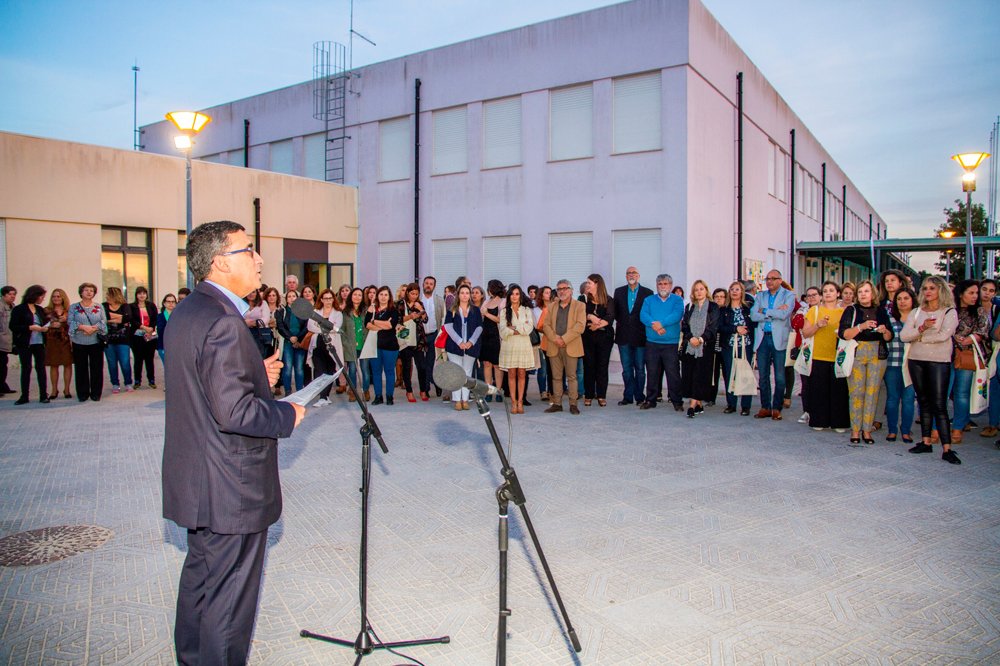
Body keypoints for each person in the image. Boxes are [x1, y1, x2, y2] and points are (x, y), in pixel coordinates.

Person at [162, 220, 304, 665]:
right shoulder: (224, 322)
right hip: (231, 488)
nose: (260, 260)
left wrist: (256, 376)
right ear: (221, 261)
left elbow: (202, 388)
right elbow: (234, 413)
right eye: (249, 251)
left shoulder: (191, 311)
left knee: (202, 584)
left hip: (199, 482)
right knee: (228, 606)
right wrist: (288, 413)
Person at [900, 276, 961, 464]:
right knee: (924, 401)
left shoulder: (949, 312)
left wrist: (919, 337)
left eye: (932, 288)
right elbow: (904, 336)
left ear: (940, 290)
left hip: (938, 361)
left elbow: (944, 335)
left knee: (939, 404)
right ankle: (925, 442)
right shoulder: (917, 312)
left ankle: (947, 448)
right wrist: (921, 329)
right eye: (925, 288)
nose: (927, 291)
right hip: (916, 360)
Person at [838, 280, 893, 444]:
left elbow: (890, 337)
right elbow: (844, 334)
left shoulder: (881, 311)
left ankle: (867, 430)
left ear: (873, 294)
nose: (863, 294)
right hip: (857, 351)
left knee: (872, 393)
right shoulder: (851, 310)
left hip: (877, 353)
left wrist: (884, 331)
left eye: (867, 291)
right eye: (860, 291)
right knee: (856, 392)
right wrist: (861, 327)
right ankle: (855, 430)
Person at [801, 281, 849, 431]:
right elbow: (805, 332)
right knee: (818, 390)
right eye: (825, 291)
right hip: (818, 356)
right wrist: (817, 325)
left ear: (838, 293)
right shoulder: (814, 311)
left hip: (838, 356)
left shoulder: (845, 311)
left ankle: (839, 422)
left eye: (831, 290)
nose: (828, 293)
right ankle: (818, 420)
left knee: (839, 391)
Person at [750, 269, 797, 420]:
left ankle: (777, 407)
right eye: (767, 279)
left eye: (773, 278)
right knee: (763, 375)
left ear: (780, 280)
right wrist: (773, 312)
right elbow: (753, 315)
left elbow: (784, 315)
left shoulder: (788, 295)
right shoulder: (761, 295)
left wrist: (764, 311)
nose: (769, 281)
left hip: (779, 339)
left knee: (780, 376)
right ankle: (765, 407)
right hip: (763, 338)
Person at [950, 279, 991, 444]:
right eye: (971, 293)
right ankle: (937, 428)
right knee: (946, 392)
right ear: (961, 294)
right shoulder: (951, 310)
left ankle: (958, 427)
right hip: (946, 355)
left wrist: (970, 338)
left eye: (976, 293)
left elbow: (983, 330)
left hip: (967, 356)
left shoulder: (979, 311)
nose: (975, 296)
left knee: (961, 392)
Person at [639, 274, 685, 411]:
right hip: (652, 342)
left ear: (670, 285)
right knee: (652, 372)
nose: (663, 286)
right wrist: (655, 325)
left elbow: (677, 315)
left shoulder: (677, 300)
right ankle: (651, 400)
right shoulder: (649, 300)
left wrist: (661, 324)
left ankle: (677, 401)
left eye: (665, 284)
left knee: (673, 373)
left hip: (670, 344)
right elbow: (643, 315)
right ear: (657, 285)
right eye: (660, 284)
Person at [542, 279, 586, 414]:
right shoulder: (551, 306)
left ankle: (573, 404)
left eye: (565, 288)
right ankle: (557, 403)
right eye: (559, 289)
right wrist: (556, 338)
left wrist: (564, 339)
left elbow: (580, 326)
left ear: (571, 290)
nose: (562, 291)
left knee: (572, 376)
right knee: (556, 377)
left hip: (571, 345)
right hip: (554, 345)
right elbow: (546, 325)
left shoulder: (580, 306)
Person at [612, 267, 653, 406]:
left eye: (634, 273)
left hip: (641, 337)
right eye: (629, 273)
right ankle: (628, 396)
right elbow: (616, 313)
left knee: (640, 369)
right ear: (626, 276)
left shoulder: (648, 293)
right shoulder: (619, 292)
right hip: (623, 336)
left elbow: (649, 314)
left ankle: (640, 396)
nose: (631, 275)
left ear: (639, 276)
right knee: (627, 369)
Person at [680, 280, 720, 417]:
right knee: (690, 375)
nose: (699, 292)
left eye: (701, 289)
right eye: (696, 289)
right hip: (690, 346)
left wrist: (701, 339)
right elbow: (684, 325)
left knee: (700, 375)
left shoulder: (713, 307)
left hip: (705, 347)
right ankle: (699, 404)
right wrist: (691, 337)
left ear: (706, 290)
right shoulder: (690, 307)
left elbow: (713, 327)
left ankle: (691, 406)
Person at [718, 280, 757, 416]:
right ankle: (731, 404)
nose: (734, 292)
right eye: (732, 289)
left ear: (742, 292)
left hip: (746, 345)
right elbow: (720, 327)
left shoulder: (748, 309)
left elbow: (754, 325)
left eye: (737, 289)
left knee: (745, 373)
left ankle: (746, 406)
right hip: (729, 346)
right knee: (730, 374)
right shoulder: (724, 310)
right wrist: (735, 328)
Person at [885, 288, 917, 443]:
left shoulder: (918, 318)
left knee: (909, 399)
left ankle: (905, 431)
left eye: (906, 298)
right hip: (893, 363)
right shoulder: (890, 318)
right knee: (892, 398)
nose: (902, 301)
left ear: (912, 300)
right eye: (899, 299)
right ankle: (892, 430)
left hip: (912, 365)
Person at [443, 284, 482, 410]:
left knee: (467, 373)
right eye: (462, 293)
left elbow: (479, 327)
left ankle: (465, 399)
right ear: (458, 295)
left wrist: (471, 342)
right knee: (456, 373)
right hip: (454, 346)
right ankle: (457, 400)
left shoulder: (475, 310)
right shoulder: (452, 310)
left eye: (467, 292)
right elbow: (448, 327)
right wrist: (459, 341)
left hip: (471, 346)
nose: (465, 295)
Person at [498, 284, 536, 413]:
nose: (514, 296)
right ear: (509, 296)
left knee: (522, 374)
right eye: (512, 294)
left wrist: (514, 328)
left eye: (517, 294)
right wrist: (519, 328)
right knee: (511, 374)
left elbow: (529, 328)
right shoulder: (504, 311)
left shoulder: (526, 310)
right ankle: (513, 402)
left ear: (520, 295)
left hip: (524, 345)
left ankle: (520, 402)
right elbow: (502, 331)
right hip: (509, 346)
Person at [10, 284, 50, 404]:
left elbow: (45, 323)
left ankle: (43, 394)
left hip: (39, 342)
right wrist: (29, 327)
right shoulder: (19, 309)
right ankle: (24, 396)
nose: (43, 299)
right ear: (35, 295)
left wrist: (45, 329)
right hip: (25, 343)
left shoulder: (40, 309)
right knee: (26, 368)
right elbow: (13, 326)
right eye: (42, 296)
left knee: (41, 368)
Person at [581, 274, 615, 407]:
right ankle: (588, 395)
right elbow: (578, 315)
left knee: (602, 366)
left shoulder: (608, 300)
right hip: (587, 337)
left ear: (597, 284)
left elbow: (610, 317)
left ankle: (601, 395)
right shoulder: (583, 299)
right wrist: (589, 316)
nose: (587, 285)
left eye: (589, 283)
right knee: (588, 366)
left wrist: (597, 324)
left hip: (604, 337)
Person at [68, 282, 106, 402]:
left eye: (91, 290)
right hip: (79, 341)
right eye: (86, 290)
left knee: (97, 368)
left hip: (95, 342)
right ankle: (83, 394)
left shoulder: (99, 307)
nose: (89, 292)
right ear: (81, 292)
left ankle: (96, 393)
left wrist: (93, 328)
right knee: (81, 368)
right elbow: (70, 321)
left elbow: (103, 321)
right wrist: (83, 327)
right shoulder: (74, 307)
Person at [308, 288, 344, 405]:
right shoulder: (316, 312)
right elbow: (311, 326)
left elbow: (336, 327)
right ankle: (322, 397)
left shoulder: (338, 313)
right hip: (318, 344)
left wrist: (321, 328)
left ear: (333, 299)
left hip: (332, 345)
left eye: (330, 298)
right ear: (321, 300)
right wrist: (327, 328)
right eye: (326, 298)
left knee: (330, 370)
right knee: (319, 370)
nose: (328, 301)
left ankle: (325, 396)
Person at [365, 285, 401, 405]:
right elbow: (367, 324)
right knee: (376, 372)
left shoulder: (393, 310)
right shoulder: (372, 309)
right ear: (377, 296)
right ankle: (378, 396)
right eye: (381, 294)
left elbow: (390, 325)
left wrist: (374, 321)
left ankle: (389, 396)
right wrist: (382, 325)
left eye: (386, 295)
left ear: (389, 296)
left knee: (389, 371)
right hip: (375, 346)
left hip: (390, 346)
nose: (383, 297)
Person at [790, 286, 820, 422]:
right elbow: (796, 324)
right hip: (805, 349)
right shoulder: (803, 310)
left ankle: (819, 410)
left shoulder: (826, 310)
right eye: (809, 295)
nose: (812, 297)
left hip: (821, 350)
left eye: (815, 295)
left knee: (819, 382)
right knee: (806, 382)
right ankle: (807, 410)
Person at [396, 283, 428, 402]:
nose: (414, 296)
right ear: (407, 293)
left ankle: (423, 390)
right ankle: (409, 391)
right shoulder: (400, 304)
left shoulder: (420, 304)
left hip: (418, 339)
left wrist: (421, 309)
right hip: (405, 337)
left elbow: (425, 320)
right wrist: (410, 316)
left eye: (416, 294)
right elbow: (397, 319)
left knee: (422, 367)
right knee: (407, 366)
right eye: (412, 293)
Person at [103, 287, 134, 394]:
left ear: (114, 295)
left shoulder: (125, 306)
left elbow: (128, 318)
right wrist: (120, 318)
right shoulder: (104, 306)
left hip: (123, 339)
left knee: (125, 362)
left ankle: (128, 383)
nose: (106, 296)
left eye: (108, 294)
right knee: (112, 363)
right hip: (109, 340)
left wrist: (111, 319)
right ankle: (115, 383)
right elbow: (103, 318)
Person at [44, 288, 73, 399]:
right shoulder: (46, 310)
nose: (56, 298)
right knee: (54, 365)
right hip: (52, 340)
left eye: (58, 296)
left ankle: (67, 389)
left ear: (63, 298)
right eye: (54, 296)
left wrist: (66, 320)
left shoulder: (69, 310)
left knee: (67, 364)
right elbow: (42, 324)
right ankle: (54, 390)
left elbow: (74, 324)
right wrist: (51, 324)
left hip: (65, 340)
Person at [276, 290, 307, 395]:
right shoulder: (282, 311)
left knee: (299, 368)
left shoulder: (303, 311)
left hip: (300, 343)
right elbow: (280, 327)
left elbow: (306, 326)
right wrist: (290, 338)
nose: (292, 298)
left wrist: (298, 338)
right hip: (288, 343)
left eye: (294, 296)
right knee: (287, 368)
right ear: (286, 299)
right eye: (289, 296)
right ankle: (288, 391)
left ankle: (299, 391)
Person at [419, 275, 445, 399]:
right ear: (423, 284)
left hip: (434, 335)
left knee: (430, 363)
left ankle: (432, 385)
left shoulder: (439, 301)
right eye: (426, 283)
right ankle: (429, 385)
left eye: (431, 284)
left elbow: (443, 318)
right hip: (420, 336)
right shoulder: (418, 300)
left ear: (434, 286)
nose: (428, 285)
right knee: (422, 364)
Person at [479, 279, 505, 400]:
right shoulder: (486, 301)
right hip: (485, 335)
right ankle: (489, 389)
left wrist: (487, 314)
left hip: (496, 335)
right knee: (486, 363)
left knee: (497, 364)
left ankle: (499, 390)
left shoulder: (503, 302)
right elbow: (481, 315)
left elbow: (501, 319)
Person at [130, 286, 159, 389]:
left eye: (144, 293)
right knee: (138, 359)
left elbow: (155, 318)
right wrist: (143, 327)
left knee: (149, 359)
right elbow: (132, 320)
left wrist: (150, 328)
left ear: (146, 295)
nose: (142, 295)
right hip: (137, 336)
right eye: (139, 293)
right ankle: (137, 381)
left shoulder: (151, 306)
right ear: (136, 295)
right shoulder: (132, 306)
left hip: (150, 335)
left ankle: (151, 380)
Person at [340, 287, 366, 402]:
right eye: (355, 294)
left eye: (360, 295)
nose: (357, 297)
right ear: (351, 296)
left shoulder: (366, 311)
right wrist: (346, 343)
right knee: (352, 370)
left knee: (365, 370)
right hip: (350, 346)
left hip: (364, 345)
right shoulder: (345, 312)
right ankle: (353, 392)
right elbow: (341, 330)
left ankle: (365, 391)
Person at [533, 285, 553, 401]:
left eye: (550, 292)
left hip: (552, 340)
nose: (549, 294)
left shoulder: (554, 307)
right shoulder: (536, 310)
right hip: (541, 340)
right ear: (541, 295)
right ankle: (543, 391)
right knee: (543, 367)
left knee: (552, 367)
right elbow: (537, 326)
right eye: (546, 292)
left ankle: (552, 391)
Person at [0, 285, 15, 396]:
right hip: (1, 339)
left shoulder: (12, 307)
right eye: (10, 294)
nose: (12, 296)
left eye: (14, 294)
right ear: (3, 295)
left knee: (3, 364)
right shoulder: (1, 306)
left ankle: (3, 386)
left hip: (7, 340)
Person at [156, 294, 177, 366]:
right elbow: (160, 331)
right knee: (168, 368)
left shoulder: (179, 315)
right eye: (168, 301)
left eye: (173, 302)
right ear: (164, 303)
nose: (171, 303)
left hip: (176, 346)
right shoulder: (160, 316)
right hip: (163, 346)